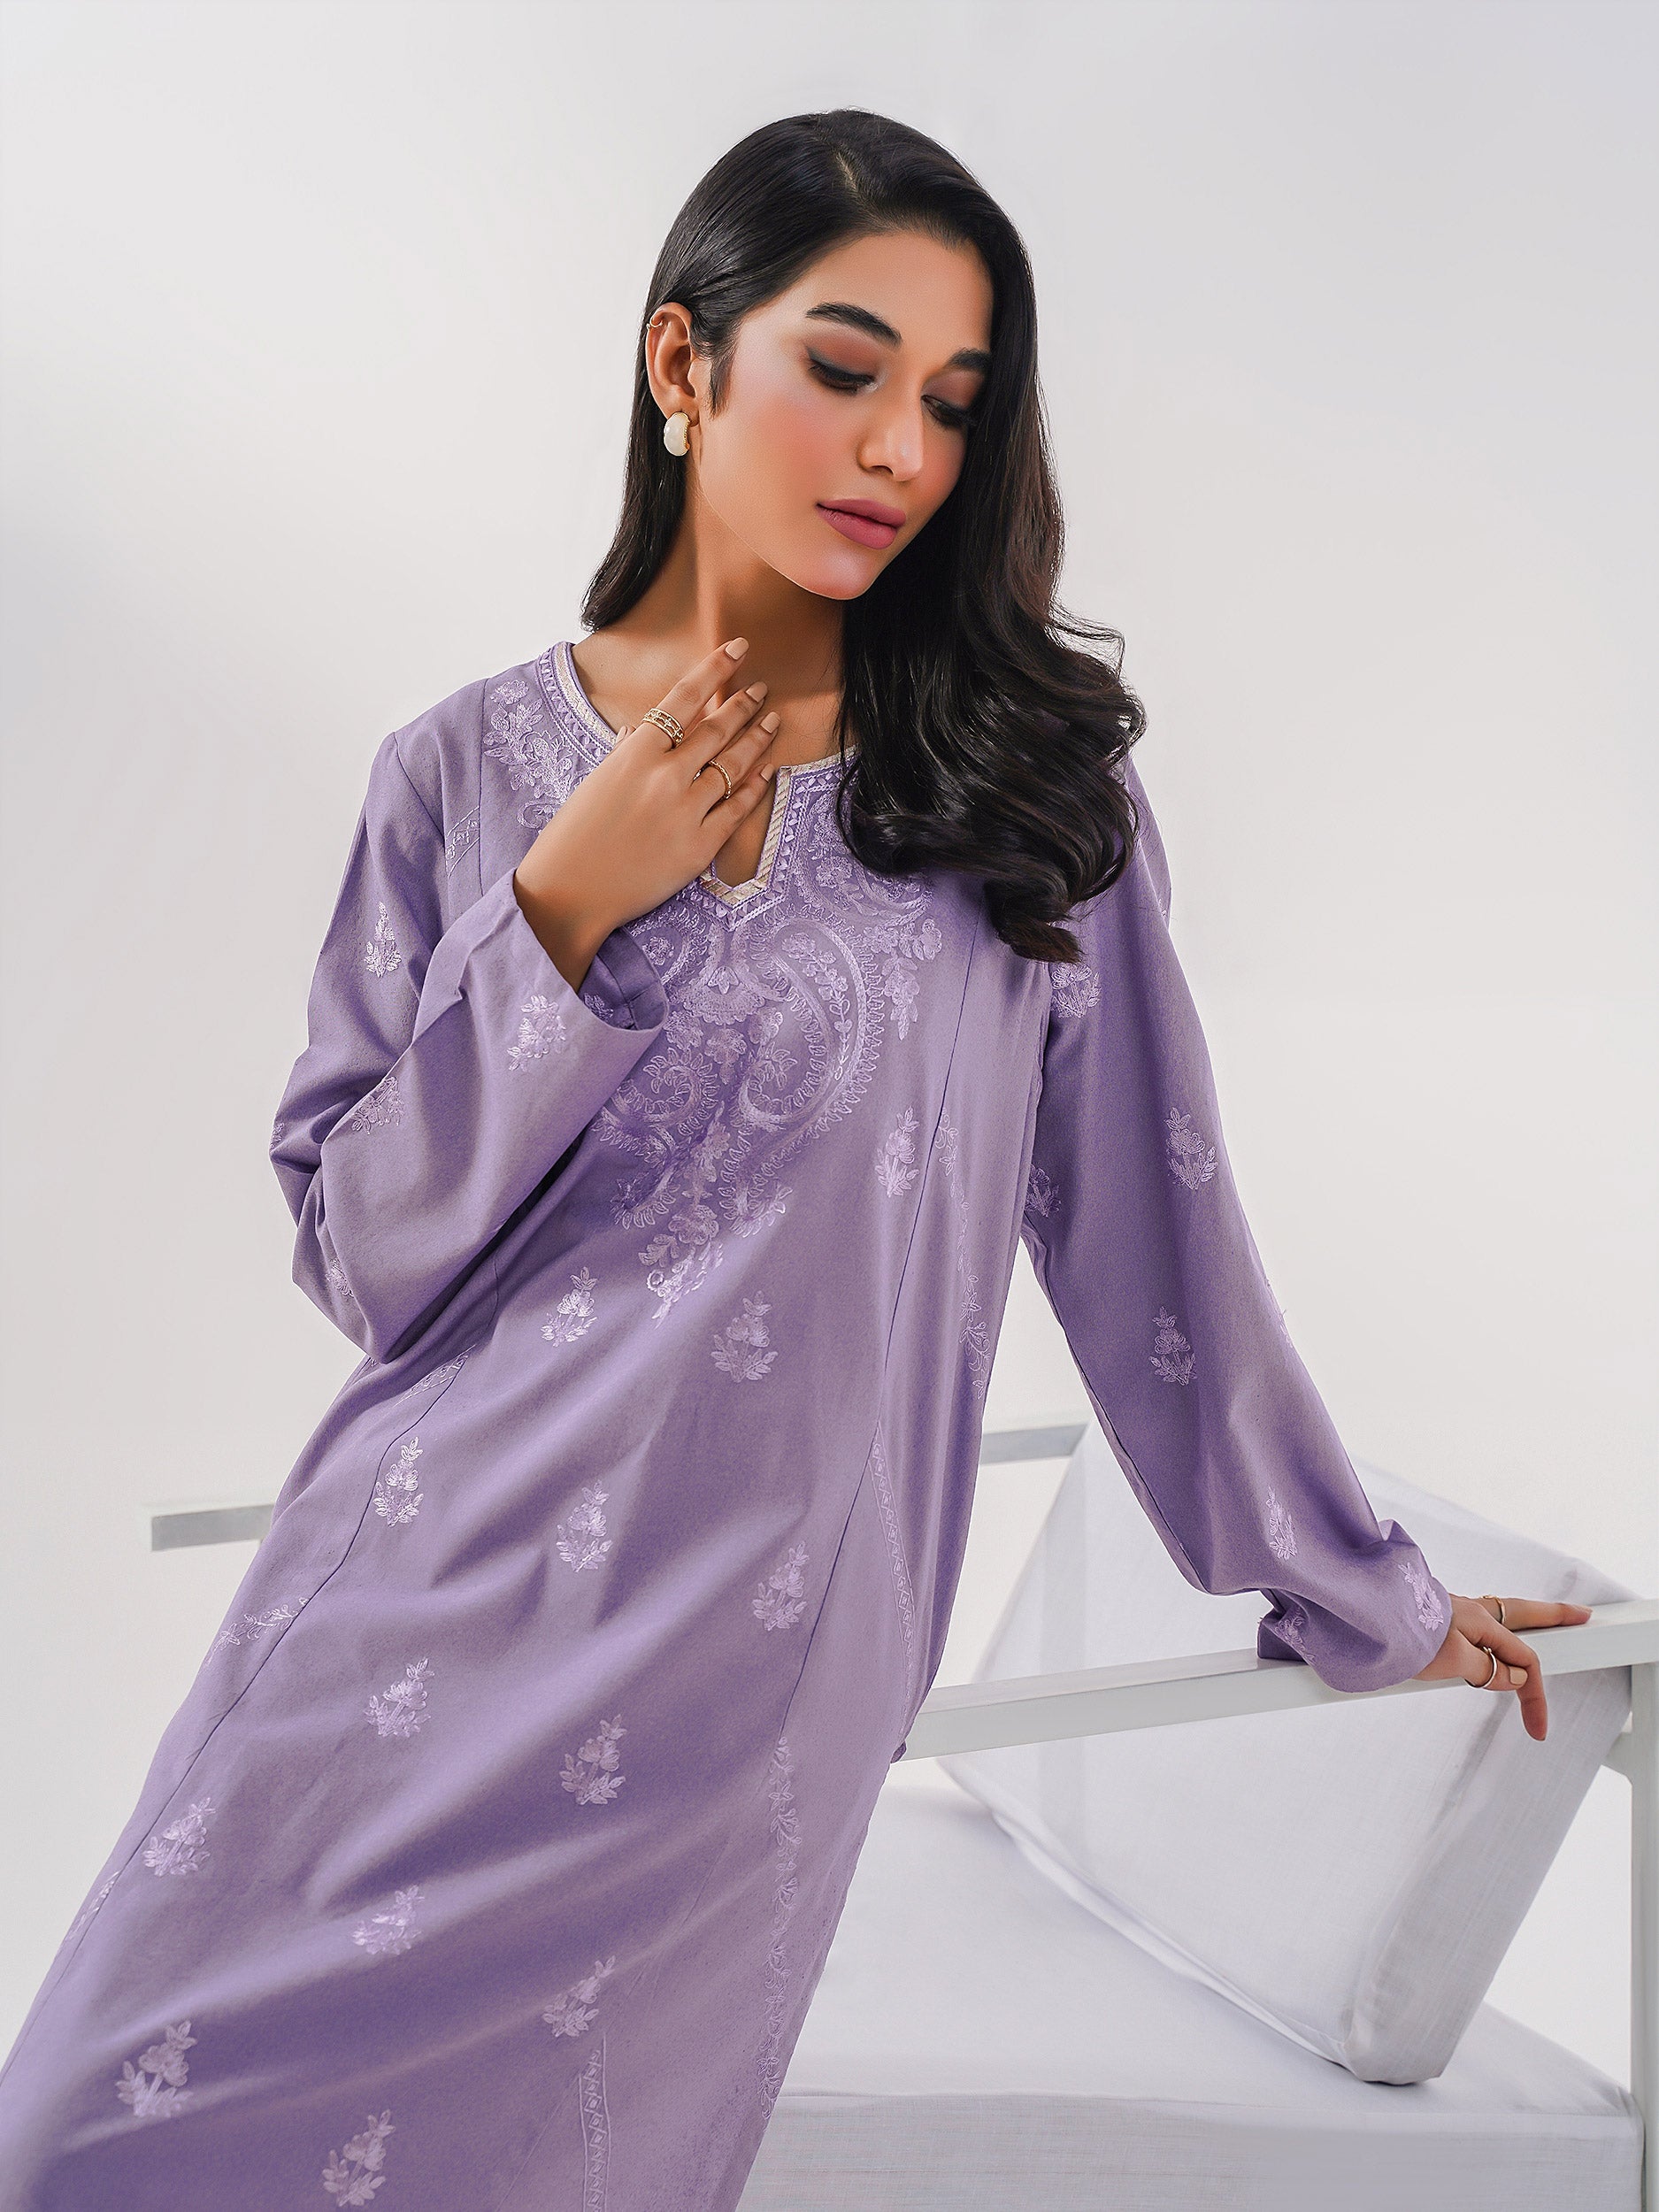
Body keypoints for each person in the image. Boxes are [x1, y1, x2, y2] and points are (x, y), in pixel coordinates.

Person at [0, 107, 1590, 2212]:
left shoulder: (1028, 807)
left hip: (738, 1691)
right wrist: (563, 905)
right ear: (682, 361)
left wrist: (1354, 1583)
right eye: (843, 370)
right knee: (76, 2137)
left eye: (951, 402)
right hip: (395, 1613)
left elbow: (1159, 1250)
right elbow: (367, 1257)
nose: (899, 452)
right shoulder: (462, 775)